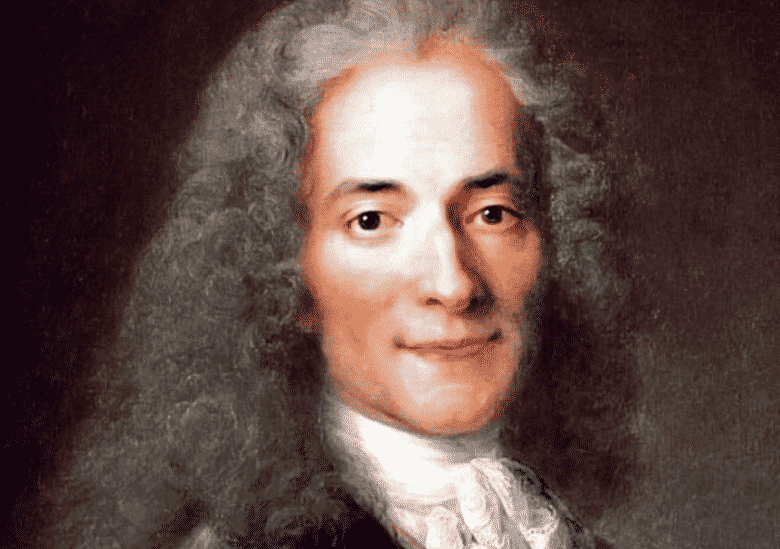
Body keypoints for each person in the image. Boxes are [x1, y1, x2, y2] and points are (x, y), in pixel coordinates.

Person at [41, 1, 637, 548]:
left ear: (555, 242)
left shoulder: (547, 533)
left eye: (493, 214)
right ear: (286, 271)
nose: (453, 284)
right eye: (372, 220)